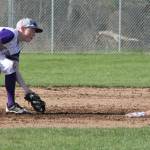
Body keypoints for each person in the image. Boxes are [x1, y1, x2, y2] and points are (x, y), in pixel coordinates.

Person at [0, 18, 43, 114]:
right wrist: (3, 49)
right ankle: (11, 105)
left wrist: (27, 91)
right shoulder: (11, 34)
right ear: (22, 28)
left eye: (35, 31)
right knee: (9, 65)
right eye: (32, 30)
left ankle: (11, 105)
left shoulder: (16, 48)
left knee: (10, 65)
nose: (34, 34)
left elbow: (14, 70)